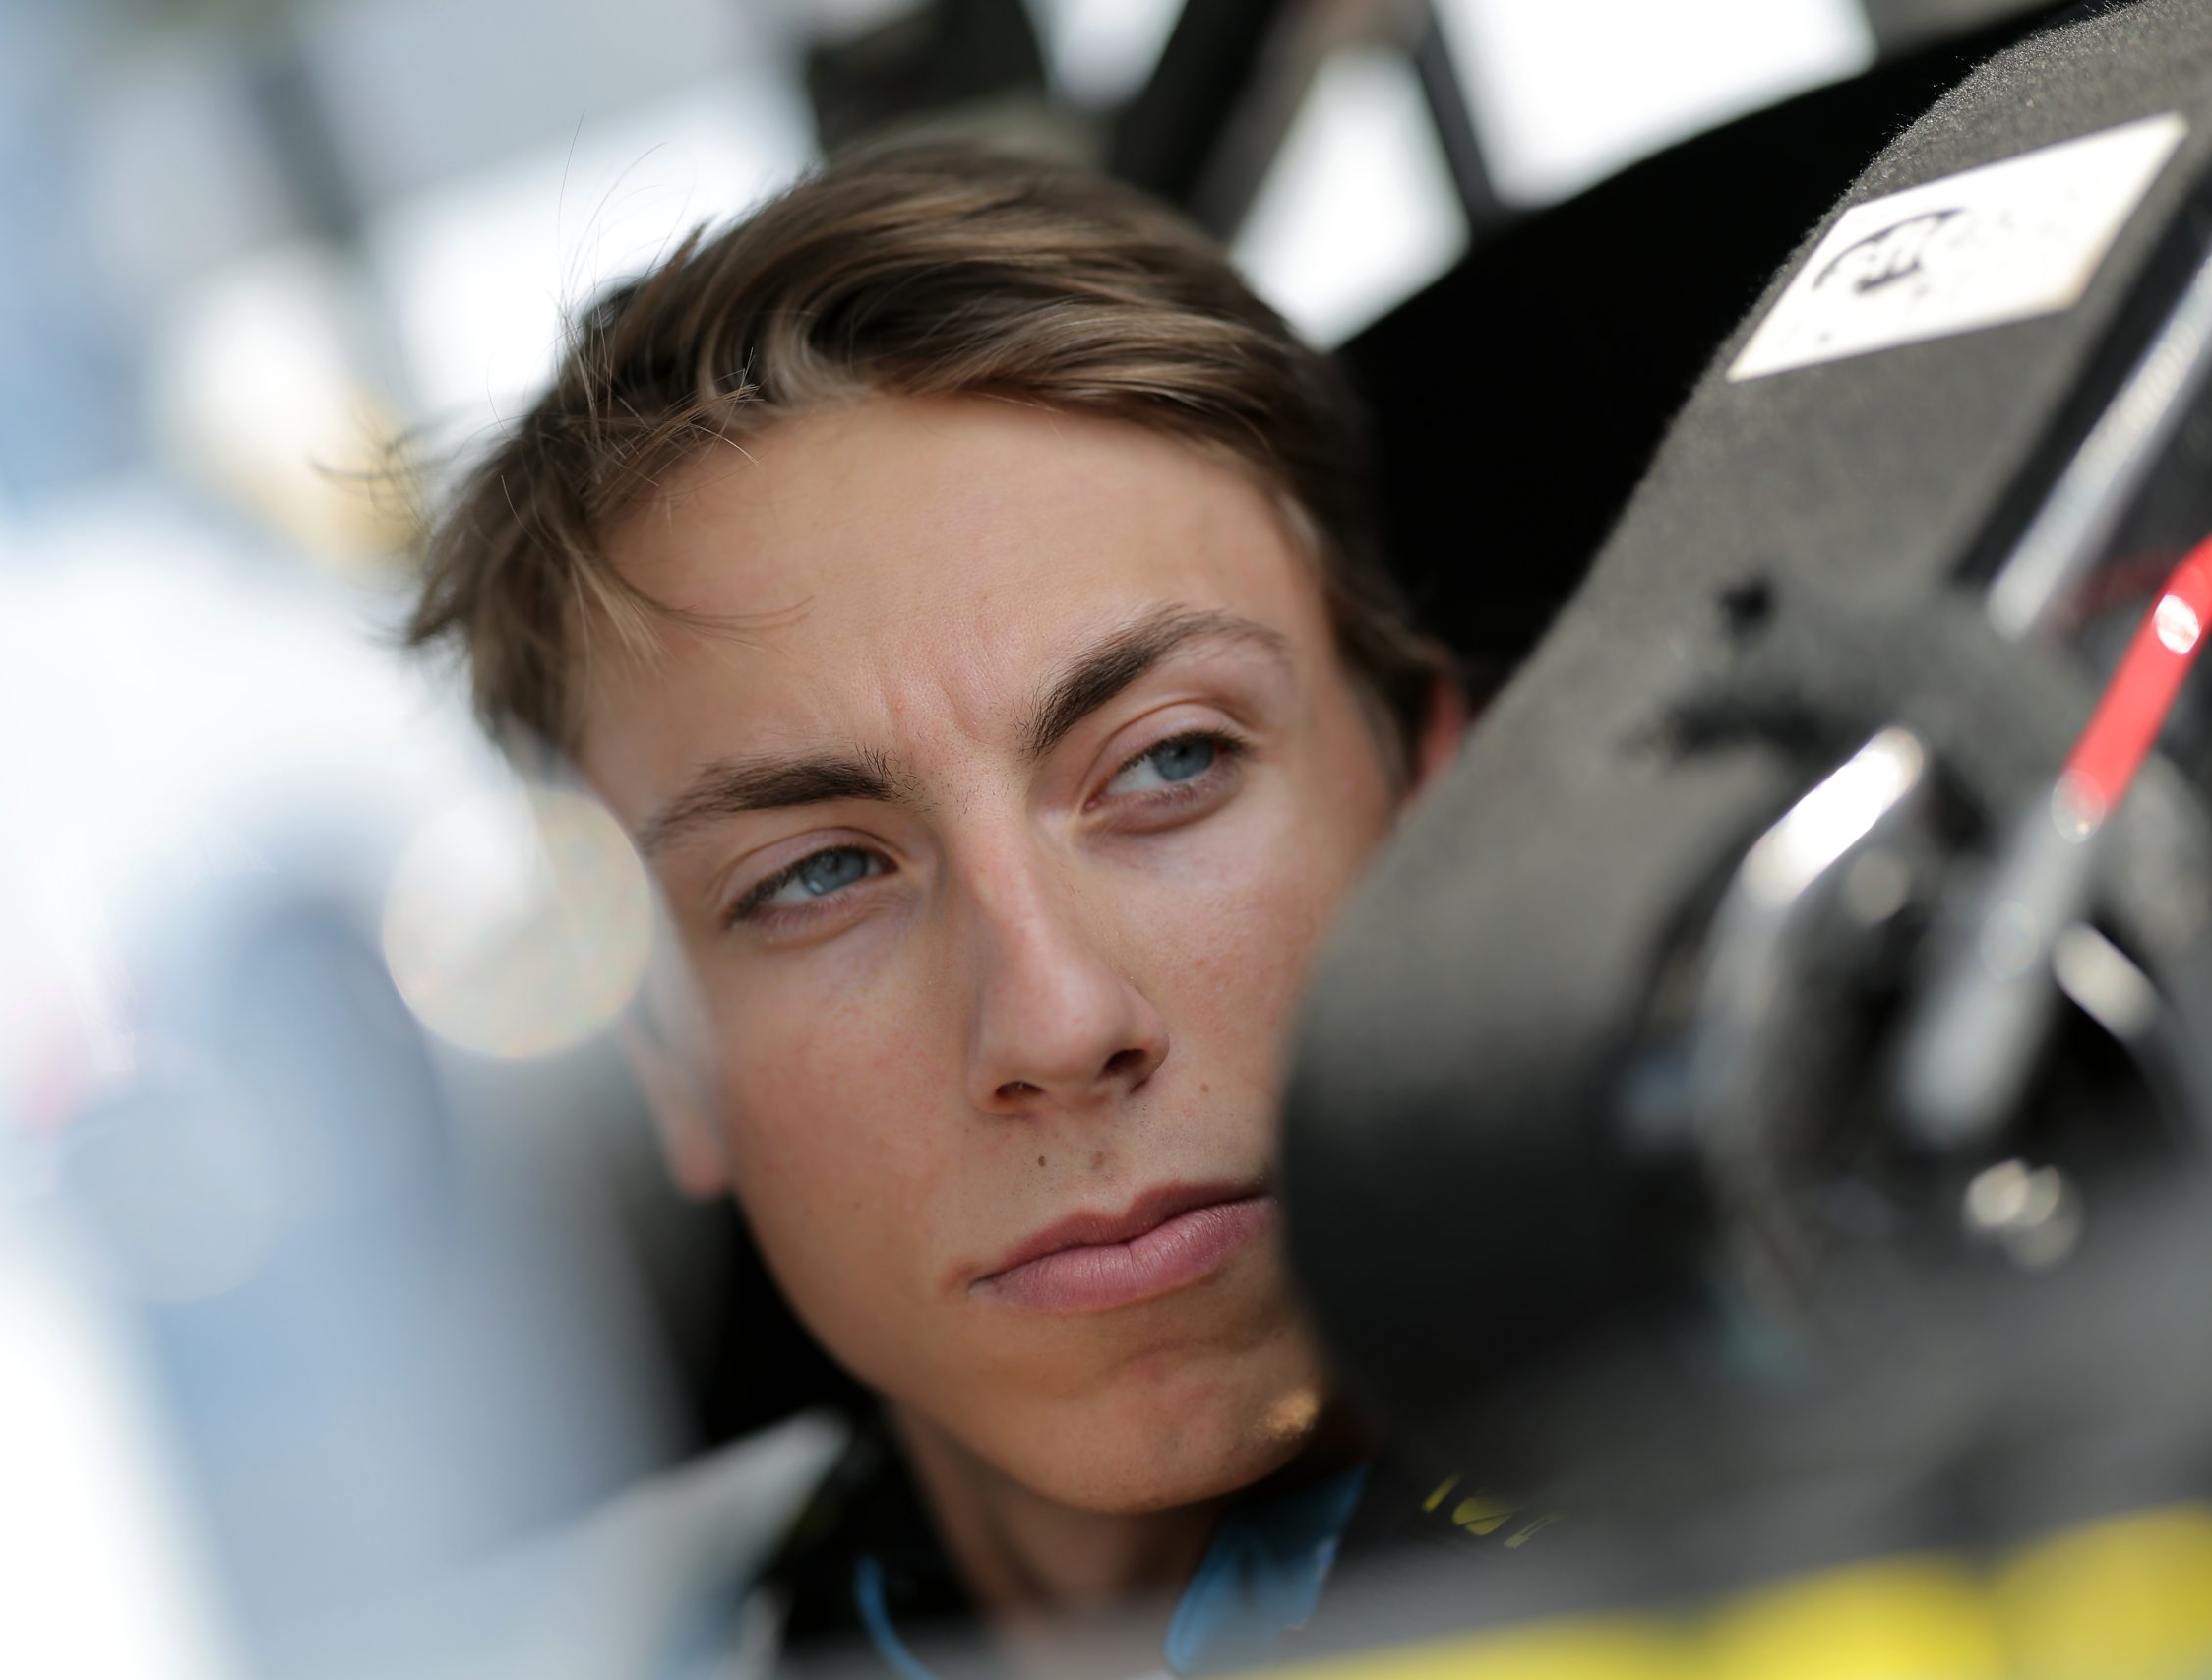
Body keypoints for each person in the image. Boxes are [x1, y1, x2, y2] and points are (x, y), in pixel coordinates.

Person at [408, 141, 1525, 1679]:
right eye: (814, 874)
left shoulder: (1888, 1474)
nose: (1059, 1025)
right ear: (664, 1060)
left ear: (1433, 802)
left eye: (1173, 762)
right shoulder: (589, 1641)